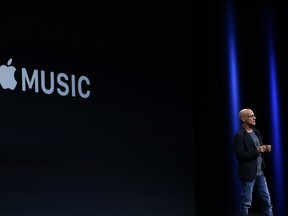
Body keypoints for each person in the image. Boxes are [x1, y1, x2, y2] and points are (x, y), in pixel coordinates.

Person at [233, 108, 273, 216]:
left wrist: (265, 149)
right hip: (248, 174)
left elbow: (259, 151)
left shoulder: (256, 132)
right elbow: (241, 156)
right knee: (246, 203)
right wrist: (257, 150)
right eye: (251, 116)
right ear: (243, 119)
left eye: (254, 115)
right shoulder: (239, 136)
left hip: (260, 173)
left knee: (267, 202)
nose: (254, 118)